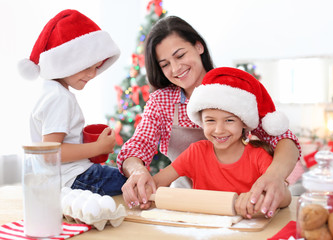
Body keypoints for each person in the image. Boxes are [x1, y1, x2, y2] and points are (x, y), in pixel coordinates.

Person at [118, 16, 300, 217]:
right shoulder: (161, 101)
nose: (176, 68)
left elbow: (284, 139)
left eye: (180, 55)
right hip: (187, 202)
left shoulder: (231, 89)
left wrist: (273, 177)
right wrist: (137, 171)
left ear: (198, 47)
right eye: (165, 64)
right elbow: (139, 145)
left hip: (241, 205)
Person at [123, 67, 292, 218]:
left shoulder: (258, 156)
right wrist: (143, 192)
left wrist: (261, 198)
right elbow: (157, 182)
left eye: (229, 121)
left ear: (244, 123)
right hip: (201, 229)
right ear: (201, 122)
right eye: (210, 121)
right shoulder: (196, 152)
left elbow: (285, 197)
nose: (219, 130)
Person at [18, 9, 127, 196]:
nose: (93, 74)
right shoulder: (59, 98)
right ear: (65, 62)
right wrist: (97, 148)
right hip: (73, 179)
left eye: (96, 67)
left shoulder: (52, 92)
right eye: (87, 67)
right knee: (131, 183)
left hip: (63, 177)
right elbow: (50, 153)